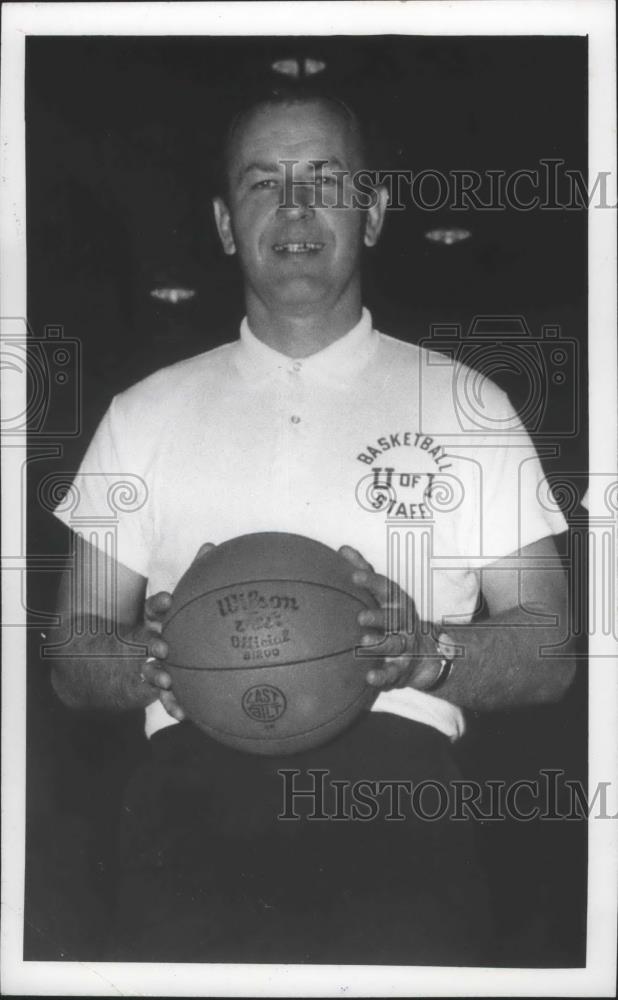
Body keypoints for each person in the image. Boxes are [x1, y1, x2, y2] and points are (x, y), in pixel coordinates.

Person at [51, 85, 574, 964]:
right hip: (187, 824)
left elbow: (552, 646)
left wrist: (428, 651)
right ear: (226, 224)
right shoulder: (140, 414)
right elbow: (71, 652)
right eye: (264, 182)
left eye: (326, 180)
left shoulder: (466, 403)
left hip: (401, 819)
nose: (295, 207)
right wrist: (151, 656)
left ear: (374, 212)